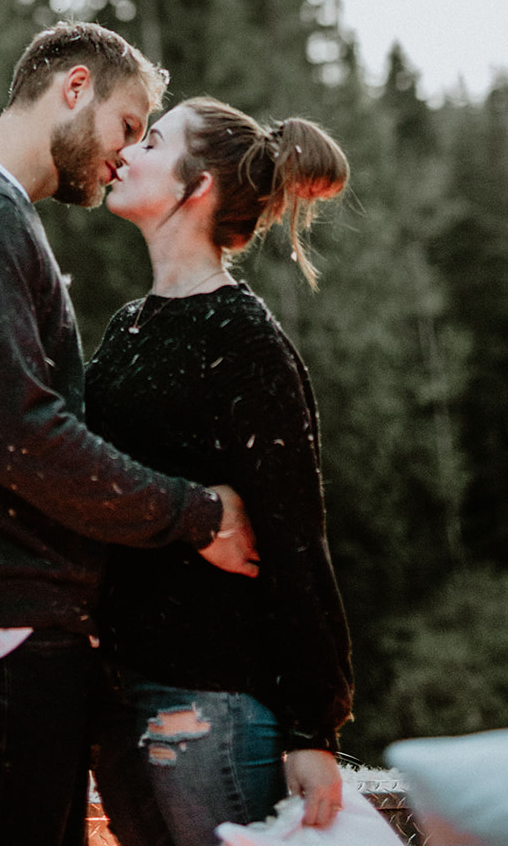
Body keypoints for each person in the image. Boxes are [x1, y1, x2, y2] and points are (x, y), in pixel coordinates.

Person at [0, 25, 258, 846]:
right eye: (126, 126)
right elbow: (22, 438)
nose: (124, 155)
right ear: (73, 88)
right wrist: (197, 516)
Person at [86, 96, 355, 846]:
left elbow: (297, 540)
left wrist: (311, 728)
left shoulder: (245, 340)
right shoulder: (126, 328)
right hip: (122, 693)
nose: (128, 150)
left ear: (195, 185)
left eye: (153, 140)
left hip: (211, 701)